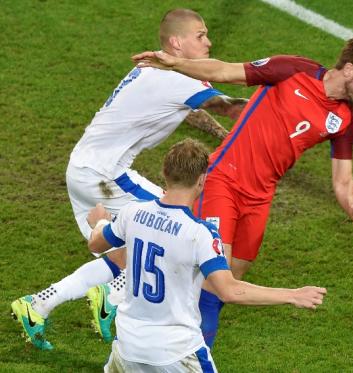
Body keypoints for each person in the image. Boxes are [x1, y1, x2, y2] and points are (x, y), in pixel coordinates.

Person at [10, 8, 247, 350]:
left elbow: (192, 111)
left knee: (124, 250)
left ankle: (38, 305)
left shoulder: (157, 69)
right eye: (201, 36)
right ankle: (110, 298)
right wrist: (271, 109)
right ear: (176, 43)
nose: (209, 42)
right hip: (106, 174)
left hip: (85, 167)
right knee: (181, 228)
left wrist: (224, 139)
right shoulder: (181, 78)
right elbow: (230, 105)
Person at [132, 36, 353, 347]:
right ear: (349, 69)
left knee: (228, 279)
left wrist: (352, 207)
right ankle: (180, 350)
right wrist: (176, 63)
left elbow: (343, 179)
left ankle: (137, 293)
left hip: (260, 197)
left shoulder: (345, 121)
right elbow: (226, 71)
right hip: (223, 180)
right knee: (219, 278)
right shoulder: (293, 70)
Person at [88, 138, 326, 373]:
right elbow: (229, 290)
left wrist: (99, 222)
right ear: (202, 180)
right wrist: (292, 295)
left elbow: (97, 244)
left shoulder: (133, 213)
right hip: (176, 353)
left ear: (165, 173)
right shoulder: (200, 233)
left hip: (128, 347)